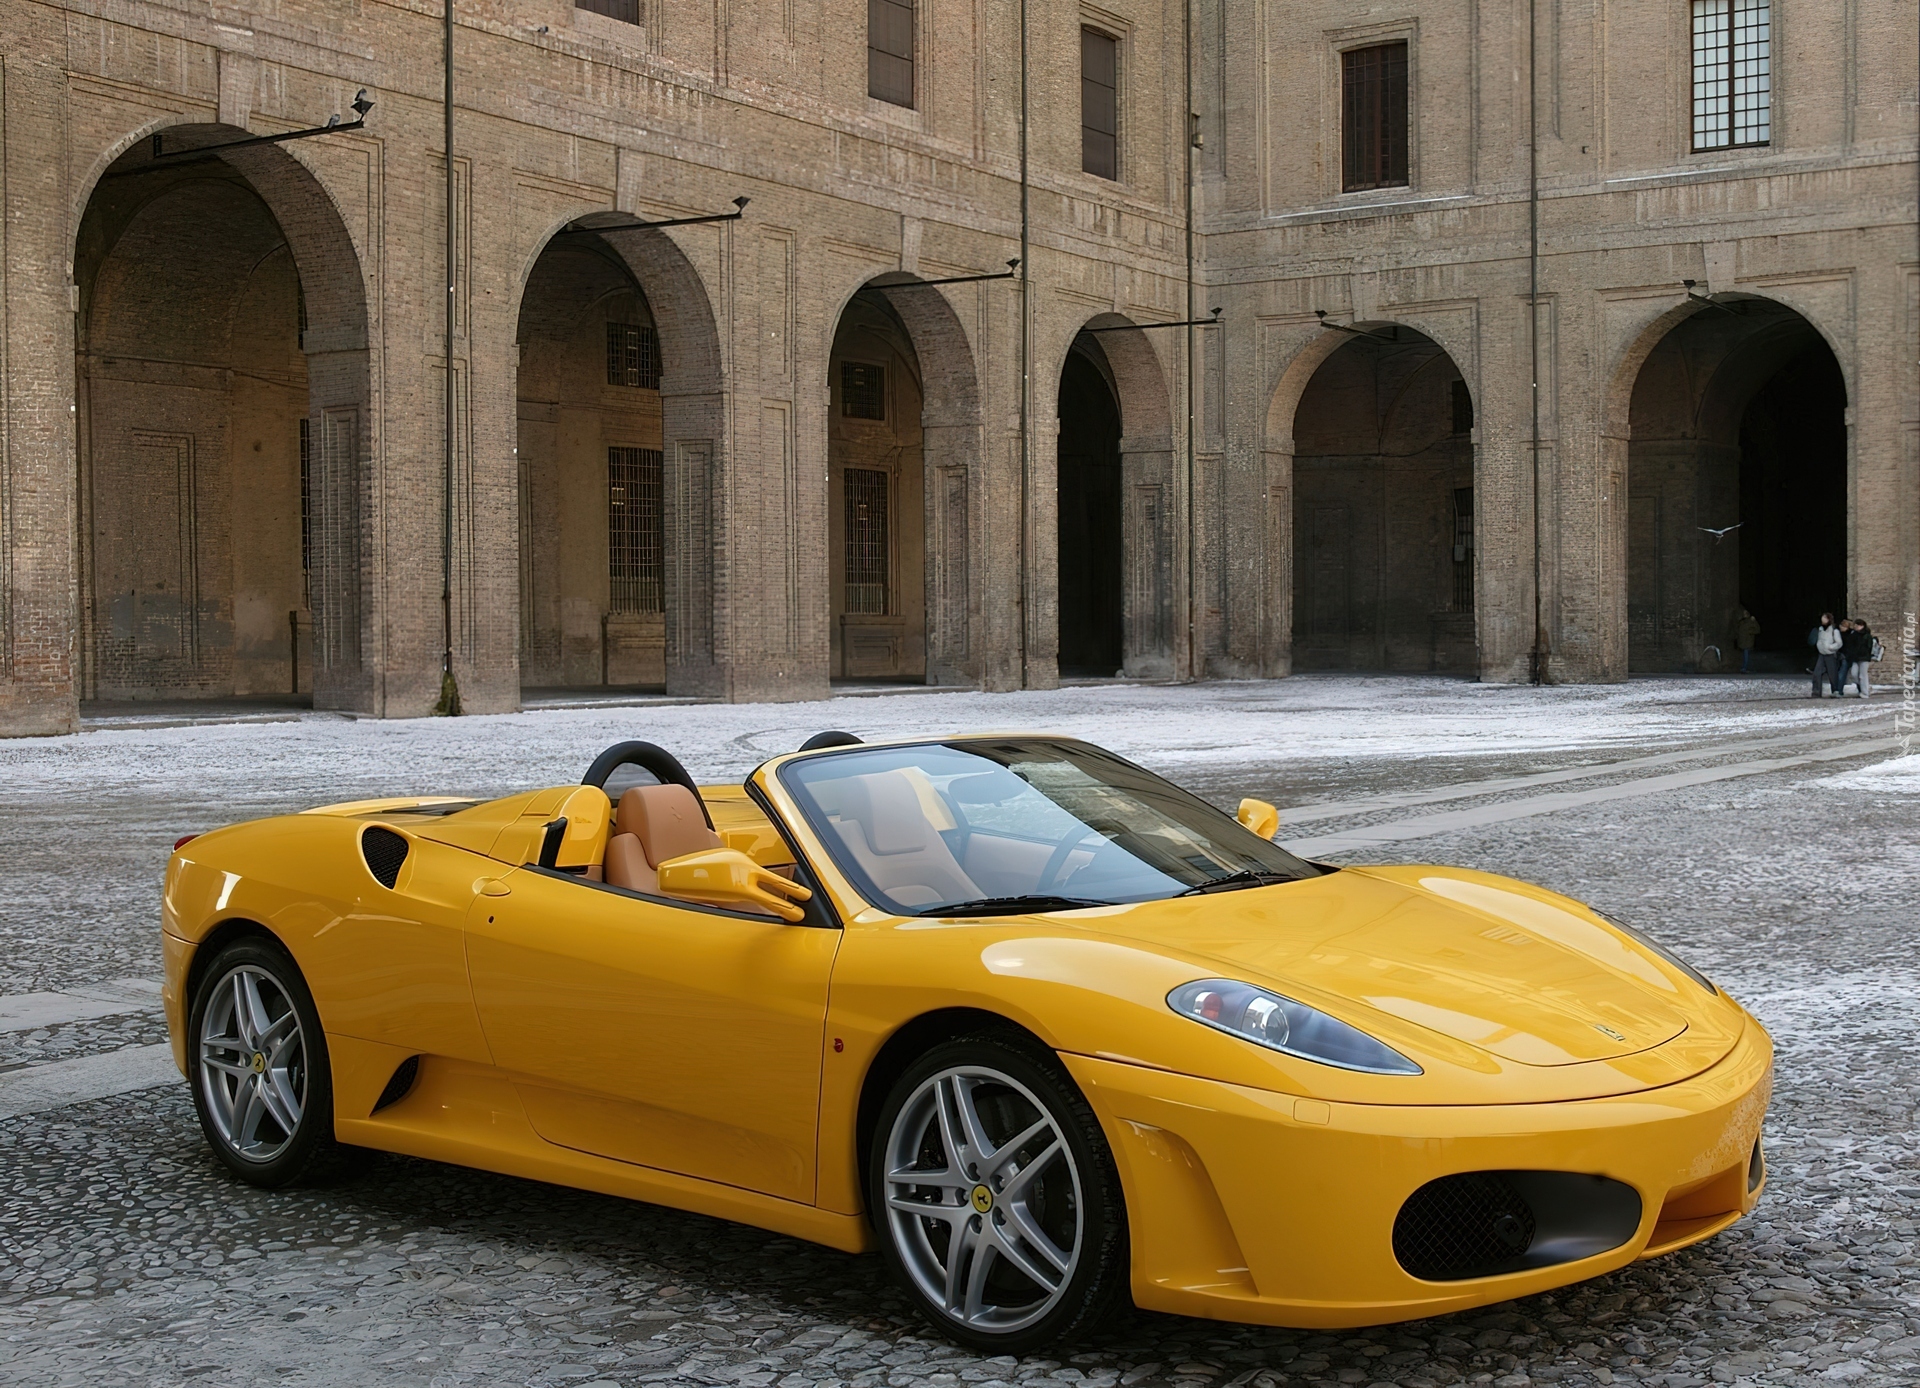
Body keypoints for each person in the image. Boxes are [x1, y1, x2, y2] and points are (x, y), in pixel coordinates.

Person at [1811, 613, 1844, 697]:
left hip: (1830, 654)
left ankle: (1835, 690)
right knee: (1816, 673)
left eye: (1825, 618)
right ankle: (1816, 692)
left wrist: (1830, 647)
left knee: (1832, 674)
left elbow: (1839, 643)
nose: (1823, 619)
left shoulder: (1834, 630)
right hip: (1821, 653)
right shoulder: (1820, 629)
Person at [1842, 617, 1873, 698]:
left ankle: (1865, 693)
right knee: (1854, 674)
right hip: (1855, 658)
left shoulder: (1867, 635)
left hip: (1864, 658)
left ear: (1862, 626)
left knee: (1863, 675)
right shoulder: (1853, 635)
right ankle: (1863, 687)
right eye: (1855, 625)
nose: (1856, 627)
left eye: (1858, 625)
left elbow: (1869, 647)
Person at [1734, 608, 1761, 673]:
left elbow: (1757, 630)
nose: (1745, 614)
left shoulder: (1751, 621)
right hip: (1742, 641)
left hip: (1748, 641)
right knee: (1745, 655)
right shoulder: (1741, 622)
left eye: (1746, 613)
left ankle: (1745, 668)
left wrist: (1750, 631)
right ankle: (1745, 668)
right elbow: (1738, 631)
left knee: (1747, 655)